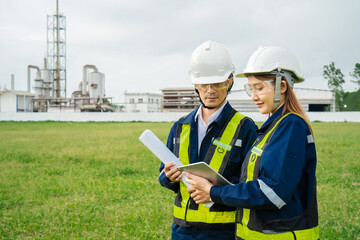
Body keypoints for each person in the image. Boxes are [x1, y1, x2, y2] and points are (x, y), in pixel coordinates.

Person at [185, 45, 319, 239]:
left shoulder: (291, 126)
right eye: (250, 89)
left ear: (282, 86)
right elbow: (254, 183)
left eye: (260, 88)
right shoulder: (272, 127)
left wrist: (214, 192)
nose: (253, 96)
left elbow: (272, 192)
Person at [158, 40, 258, 240]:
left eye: (217, 83)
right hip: (181, 231)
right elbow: (163, 176)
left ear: (230, 82)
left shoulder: (246, 128)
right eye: (204, 84)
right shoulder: (180, 127)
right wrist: (168, 177)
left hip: (224, 232)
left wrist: (214, 192)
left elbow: (250, 186)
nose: (210, 90)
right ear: (195, 84)